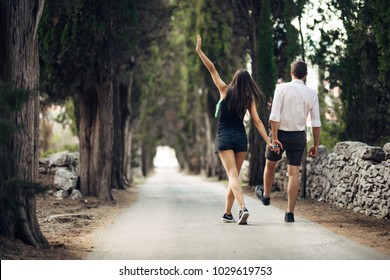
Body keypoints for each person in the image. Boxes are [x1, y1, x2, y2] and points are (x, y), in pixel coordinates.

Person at [196, 34, 279, 225]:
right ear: (248, 83)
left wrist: (200, 51)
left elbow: (211, 68)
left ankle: (243, 208)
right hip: (241, 139)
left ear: (234, 80)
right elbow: (257, 122)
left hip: (224, 138)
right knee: (235, 176)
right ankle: (227, 212)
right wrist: (269, 142)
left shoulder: (225, 90)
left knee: (232, 176)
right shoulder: (249, 98)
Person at [256, 60, 321, 223]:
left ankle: (266, 196)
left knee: (270, 164)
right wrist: (315, 144)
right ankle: (290, 214)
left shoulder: (282, 88)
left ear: (291, 73)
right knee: (293, 174)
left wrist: (275, 138)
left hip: (281, 135)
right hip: (298, 137)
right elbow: (316, 123)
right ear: (305, 75)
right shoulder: (312, 94)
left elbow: (274, 116)